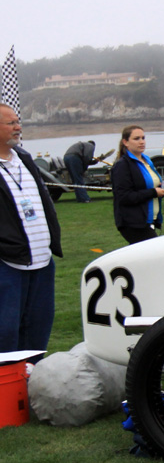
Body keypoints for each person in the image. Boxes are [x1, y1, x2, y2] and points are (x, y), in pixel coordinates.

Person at [0, 103, 62, 352]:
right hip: (8, 264)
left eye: (18, 122)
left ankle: (31, 383)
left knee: (38, 329)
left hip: (42, 261)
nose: (18, 127)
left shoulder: (24, 158)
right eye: (11, 123)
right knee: (6, 332)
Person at [111, 125, 164, 245]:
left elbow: (147, 184)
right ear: (125, 142)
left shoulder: (147, 160)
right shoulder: (122, 165)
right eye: (136, 139)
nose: (141, 142)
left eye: (143, 138)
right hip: (134, 223)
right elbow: (124, 196)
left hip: (150, 220)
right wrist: (154, 192)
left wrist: (163, 187)